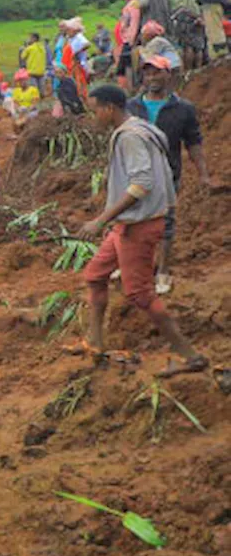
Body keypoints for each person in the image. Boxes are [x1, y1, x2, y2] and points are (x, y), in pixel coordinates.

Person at [78, 85, 207, 376]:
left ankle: (190, 356)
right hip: (128, 223)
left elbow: (141, 184)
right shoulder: (140, 128)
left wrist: (101, 219)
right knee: (95, 275)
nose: (93, 116)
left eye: (95, 109)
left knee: (140, 294)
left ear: (109, 108)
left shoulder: (130, 138)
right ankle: (94, 343)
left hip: (138, 225)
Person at [125, 56, 211, 295]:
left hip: (167, 173)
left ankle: (163, 271)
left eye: (157, 73)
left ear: (169, 75)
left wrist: (203, 173)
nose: (152, 78)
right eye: (148, 73)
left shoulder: (183, 109)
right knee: (133, 219)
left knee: (165, 222)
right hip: (135, 173)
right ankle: (135, 266)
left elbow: (193, 142)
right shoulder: (132, 107)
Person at [20, 33, 47, 98]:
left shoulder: (30, 48)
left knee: (34, 89)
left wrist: (26, 46)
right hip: (41, 71)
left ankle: (36, 102)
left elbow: (22, 56)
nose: (29, 39)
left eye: (30, 38)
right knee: (42, 88)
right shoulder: (42, 47)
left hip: (32, 71)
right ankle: (42, 99)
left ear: (34, 39)